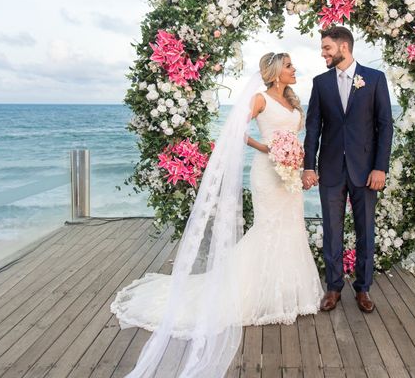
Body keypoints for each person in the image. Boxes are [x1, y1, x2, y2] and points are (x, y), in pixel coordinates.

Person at [110, 52, 322, 377]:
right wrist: (267, 148)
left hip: (289, 173)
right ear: (277, 71)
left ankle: (288, 293)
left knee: (291, 226)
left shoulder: (293, 101)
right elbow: (236, 130)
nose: (295, 70)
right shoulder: (259, 98)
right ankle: (253, 292)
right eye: (290, 66)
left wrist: (297, 158)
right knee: (268, 227)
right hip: (268, 173)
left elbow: (297, 136)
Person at [302, 26, 393, 314]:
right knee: (331, 230)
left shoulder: (375, 79)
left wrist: (380, 167)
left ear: (344, 47)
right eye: (322, 48)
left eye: (327, 48)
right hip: (330, 169)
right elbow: (313, 127)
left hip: (365, 170)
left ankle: (363, 288)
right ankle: (333, 287)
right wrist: (309, 165)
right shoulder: (320, 83)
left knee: (366, 229)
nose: (323, 53)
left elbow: (385, 126)